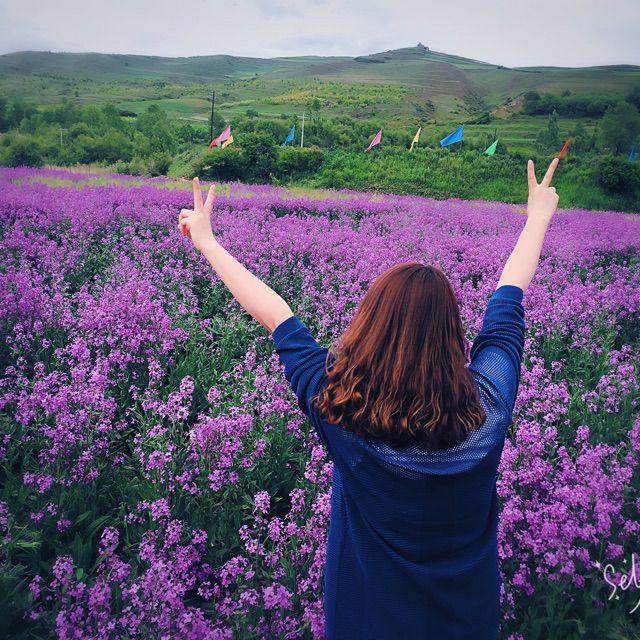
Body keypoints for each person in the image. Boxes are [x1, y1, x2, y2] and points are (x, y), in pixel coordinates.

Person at [178, 157, 560, 639]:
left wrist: (208, 242)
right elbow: (508, 299)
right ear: (452, 336)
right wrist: (538, 217)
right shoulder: (490, 406)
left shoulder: (342, 412)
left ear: (371, 328)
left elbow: (277, 316)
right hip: (468, 624)